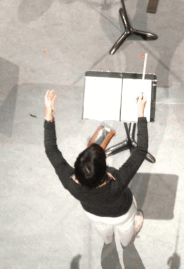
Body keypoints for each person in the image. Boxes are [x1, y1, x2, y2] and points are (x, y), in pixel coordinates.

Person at [44, 89, 147, 247]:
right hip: (122, 214)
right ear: (105, 169)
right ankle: (126, 243)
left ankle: (107, 240)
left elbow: (51, 150)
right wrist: (140, 113)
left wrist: (48, 114)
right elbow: (140, 150)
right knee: (126, 229)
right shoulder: (117, 182)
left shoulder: (70, 181)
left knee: (102, 227)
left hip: (92, 213)